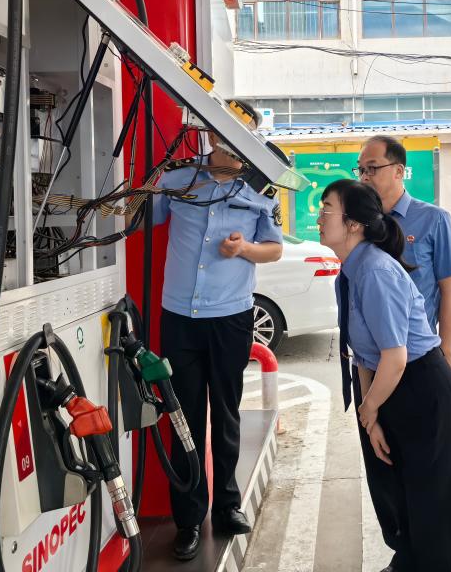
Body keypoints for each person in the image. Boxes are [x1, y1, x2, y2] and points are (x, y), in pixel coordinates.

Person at [318, 179, 451, 572]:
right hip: (389, 389)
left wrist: (370, 408)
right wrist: (371, 419)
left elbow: (395, 356)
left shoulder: (375, 270)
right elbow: (364, 355)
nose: (318, 217)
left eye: (326, 209)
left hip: (422, 391)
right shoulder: (349, 272)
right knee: (397, 494)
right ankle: (408, 561)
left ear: (353, 223)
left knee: (432, 507)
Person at [153, 100, 283, 561]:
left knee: (227, 413)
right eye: (228, 132)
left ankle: (228, 506)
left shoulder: (262, 186)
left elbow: (274, 249)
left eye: (246, 135)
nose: (238, 144)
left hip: (230, 316)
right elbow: (142, 218)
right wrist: (145, 186)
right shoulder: (178, 179)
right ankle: (188, 519)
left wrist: (244, 248)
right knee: (183, 418)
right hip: (180, 317)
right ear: (210, 134)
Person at [356, 135, 451, 369]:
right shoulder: (358, 223)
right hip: (369, 355)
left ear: (399, 171)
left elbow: (449, 290)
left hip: (417, 351)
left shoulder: (434, 219)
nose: (364, 177)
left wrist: (446, 352)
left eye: (372, 168)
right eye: (361, 169)